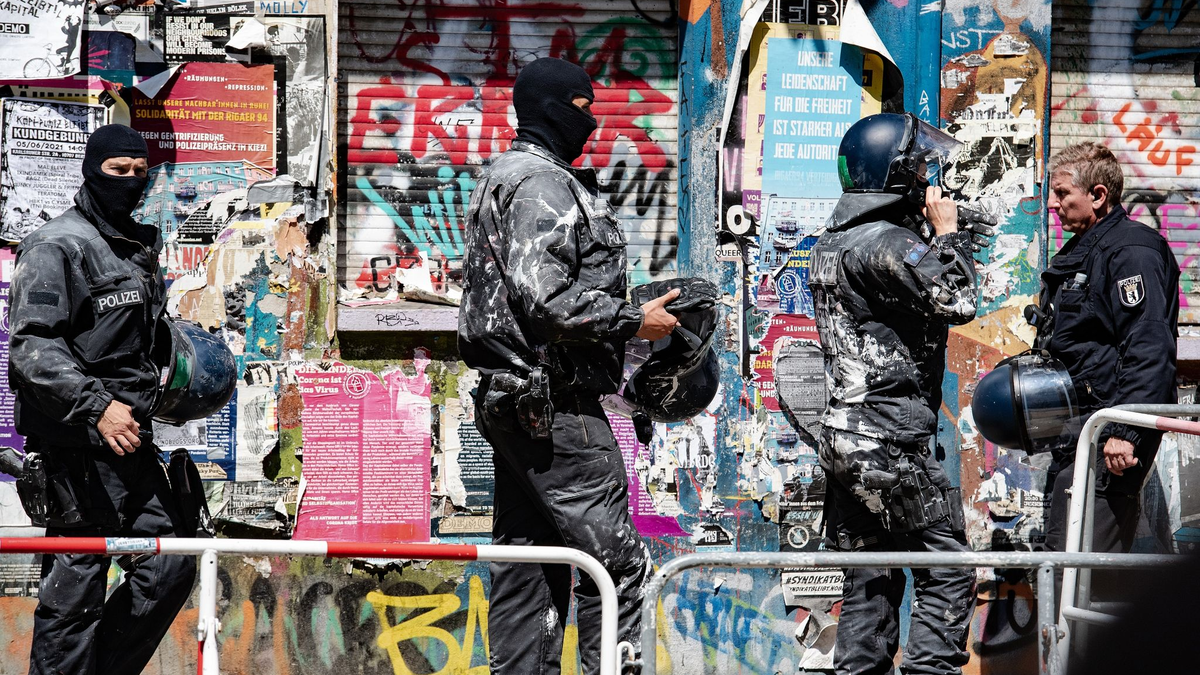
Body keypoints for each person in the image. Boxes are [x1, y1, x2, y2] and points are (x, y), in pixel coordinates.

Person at [457, 57, 679, 675]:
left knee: (531, 566)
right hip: (558, 410)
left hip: (521, 403)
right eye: (583, 108)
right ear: (554, 108)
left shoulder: (504, 175)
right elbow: (549, 301)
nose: (593, 120)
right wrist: (636, 322)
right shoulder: (541, 185)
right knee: (619, 567)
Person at [8, 124, 196, 675]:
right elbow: (32, 347)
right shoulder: (56, 245)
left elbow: (134, 341)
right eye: (118, 171)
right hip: (77, 448)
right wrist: (96, 406)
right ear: (92, 172)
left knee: (172, 563)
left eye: (141, 172)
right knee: (76, 591)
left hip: (131, 439)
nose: (132, 182)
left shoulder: (134, 247)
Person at [808, 112, 981, 675]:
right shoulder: (888, 244)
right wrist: (950, 234)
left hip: (845, 438)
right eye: (921, 167)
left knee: (872, 573)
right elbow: (957, 300)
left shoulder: (834, 242)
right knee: (947, 569)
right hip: (889, 441)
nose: (931, 178)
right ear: (899, 173)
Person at [1034, 142, 1178, 570]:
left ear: (1097, 195)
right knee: (1066, 557)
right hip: (1081, 430)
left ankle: (1091, 639)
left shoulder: (1130, 251)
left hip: (1107, 432)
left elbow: (1148, 346)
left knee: (1082, 570)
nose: (1053, 205)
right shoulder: (1085, 250)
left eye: (1062, 194)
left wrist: (1125, 431)